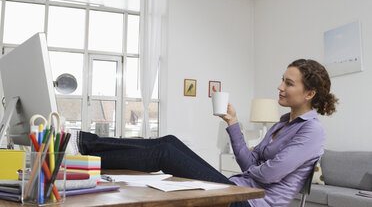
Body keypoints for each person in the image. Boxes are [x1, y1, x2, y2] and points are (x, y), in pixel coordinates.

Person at [70, 59, 338, 207]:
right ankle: (84, 146)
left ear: (310, 93)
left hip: (249, 203)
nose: (279, 86)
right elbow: (250, 164)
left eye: (288, 83)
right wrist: (232, 123)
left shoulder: (312, 132)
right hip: (237, 189)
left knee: (165, 152)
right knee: (170, 142)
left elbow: (268, 174)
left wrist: (257, 166)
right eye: (282, 79)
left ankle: (79, 152)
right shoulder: (280, 124)